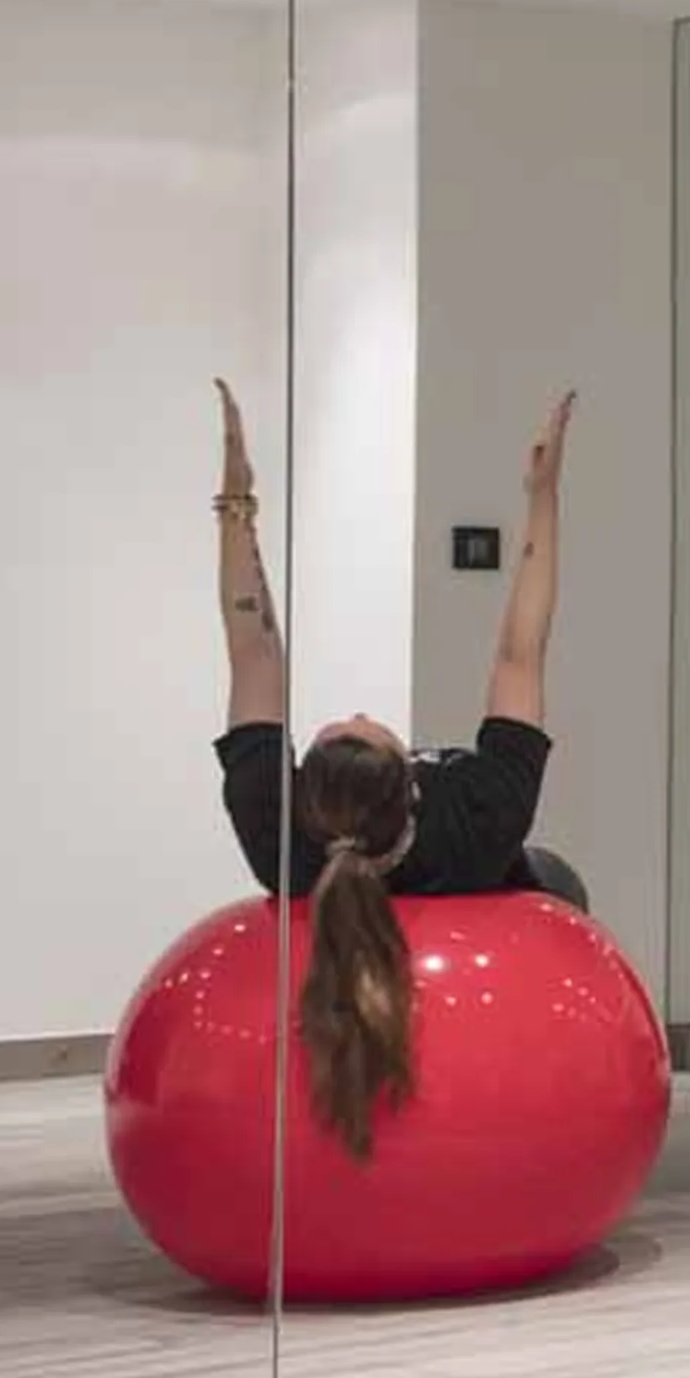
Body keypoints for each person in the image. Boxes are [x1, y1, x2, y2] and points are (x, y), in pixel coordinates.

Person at [210, 380, 583, 1157]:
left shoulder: (277, 834)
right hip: (501, 888)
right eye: (365, 723)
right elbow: (523, 649)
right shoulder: (476, 816)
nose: (355, 705)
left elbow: (253, 651)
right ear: (412, 782)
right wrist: (543, 496)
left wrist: (236, 501)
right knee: (556, 876)